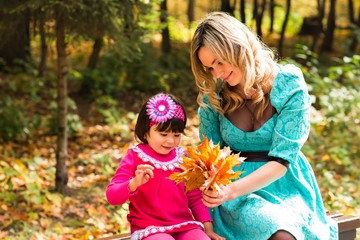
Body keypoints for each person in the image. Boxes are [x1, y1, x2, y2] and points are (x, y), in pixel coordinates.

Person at [190, 12, 338, 240]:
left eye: (219, 61)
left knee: (289, 229)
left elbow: (282, 160)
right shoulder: (215, 97)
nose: (217, 73)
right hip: (236, 195)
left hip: (287, 184)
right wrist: (222, 191)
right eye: (210, 67)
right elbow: (210, 158)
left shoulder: (288, 83)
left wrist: (230, 191)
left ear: (238, 46)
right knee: (280, 232)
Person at [106, 93, 225, 240]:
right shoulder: (135, 157)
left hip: (184, 224)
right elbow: (112, 197)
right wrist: (133, 183)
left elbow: (195, 197)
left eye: (176, 135)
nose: (170, 141)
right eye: (163, 134)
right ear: (145, 131)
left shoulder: (183, 158)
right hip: (150, 227)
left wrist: (208, 230)